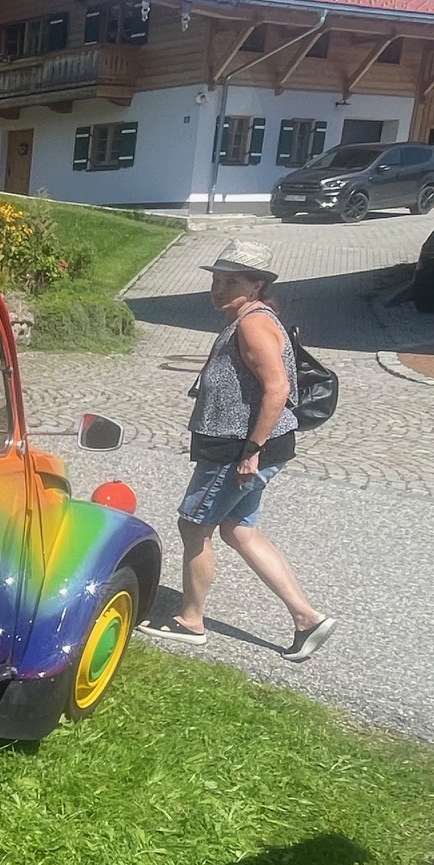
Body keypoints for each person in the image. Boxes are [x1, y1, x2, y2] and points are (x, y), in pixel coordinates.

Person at [141, 239, 337, 661]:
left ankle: (191, 621)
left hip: (237, 450)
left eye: (231, 281)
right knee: (238, 529)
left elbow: (277, 389)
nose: (219, 288)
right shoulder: (250, 318)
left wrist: (251, 452)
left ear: (257, 285)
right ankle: (307, 618)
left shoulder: (253, 324)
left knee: (194, 526)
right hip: (248, 446)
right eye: (216, 279)